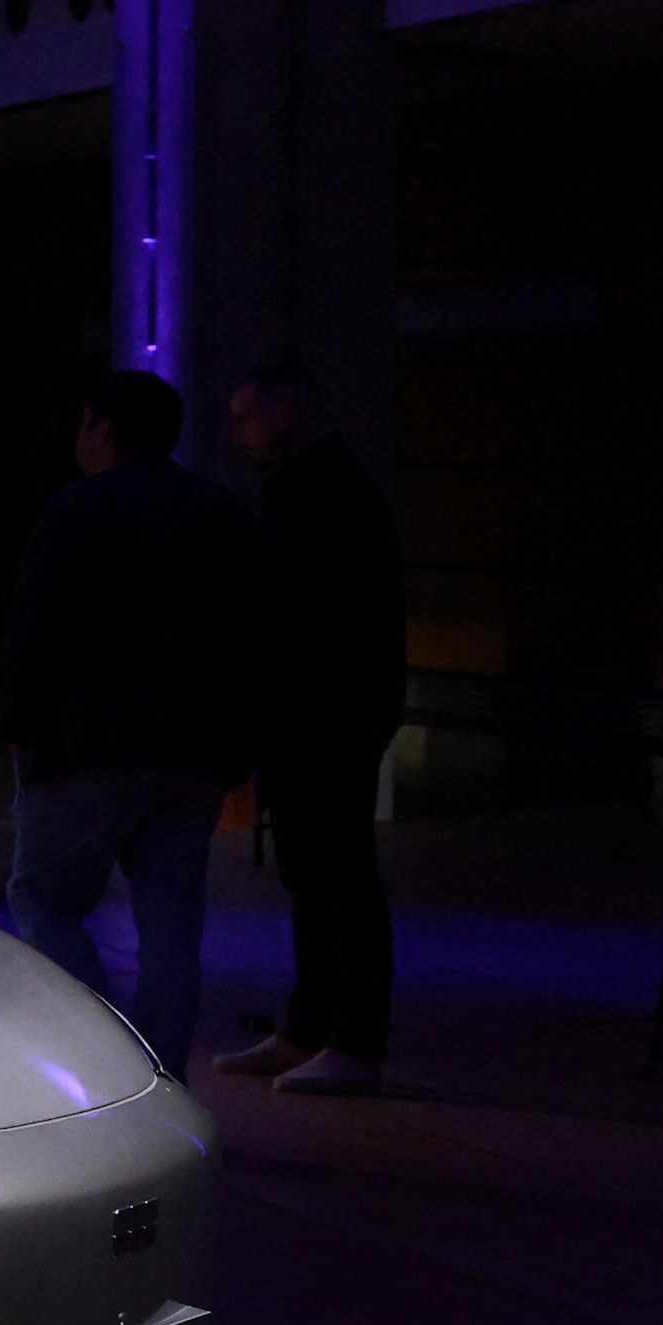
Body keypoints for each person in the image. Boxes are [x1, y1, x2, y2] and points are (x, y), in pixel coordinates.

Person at [0, 365, 261, 1077]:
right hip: (194, 752)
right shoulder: (223, 511)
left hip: (88, 748)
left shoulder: (77, 509)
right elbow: (251, 636)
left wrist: (17, 724)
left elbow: (36, 630)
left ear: (103, 429)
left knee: (45, 904)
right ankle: (162, 1078)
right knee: (172, 926)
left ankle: (109, 1065)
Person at [212, 368, 407, 1097]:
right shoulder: (324, 485)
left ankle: (351, 1040)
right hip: (324, 710)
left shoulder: (317, 492)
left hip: (327, 712)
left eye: (246, 415)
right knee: (315, 871)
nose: (238, 431)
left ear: (287, 413)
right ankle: (312, 1028)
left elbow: (303, 615)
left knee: (337, 873)